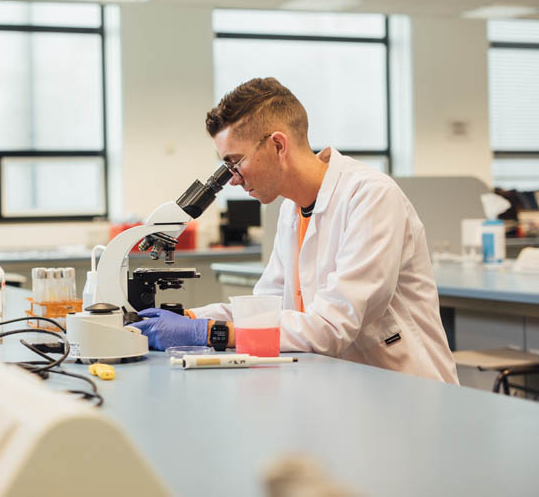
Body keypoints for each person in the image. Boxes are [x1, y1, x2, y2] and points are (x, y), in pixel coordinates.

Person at [133, 77, 459, 384]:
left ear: (278, 145)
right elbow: (265, 308)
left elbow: (331, 326)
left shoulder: (371, 197)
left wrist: (206, 332)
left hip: (403, 390)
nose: (233, 179)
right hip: (341, 385)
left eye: (235, 163)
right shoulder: (291, 209)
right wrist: (186, 315)